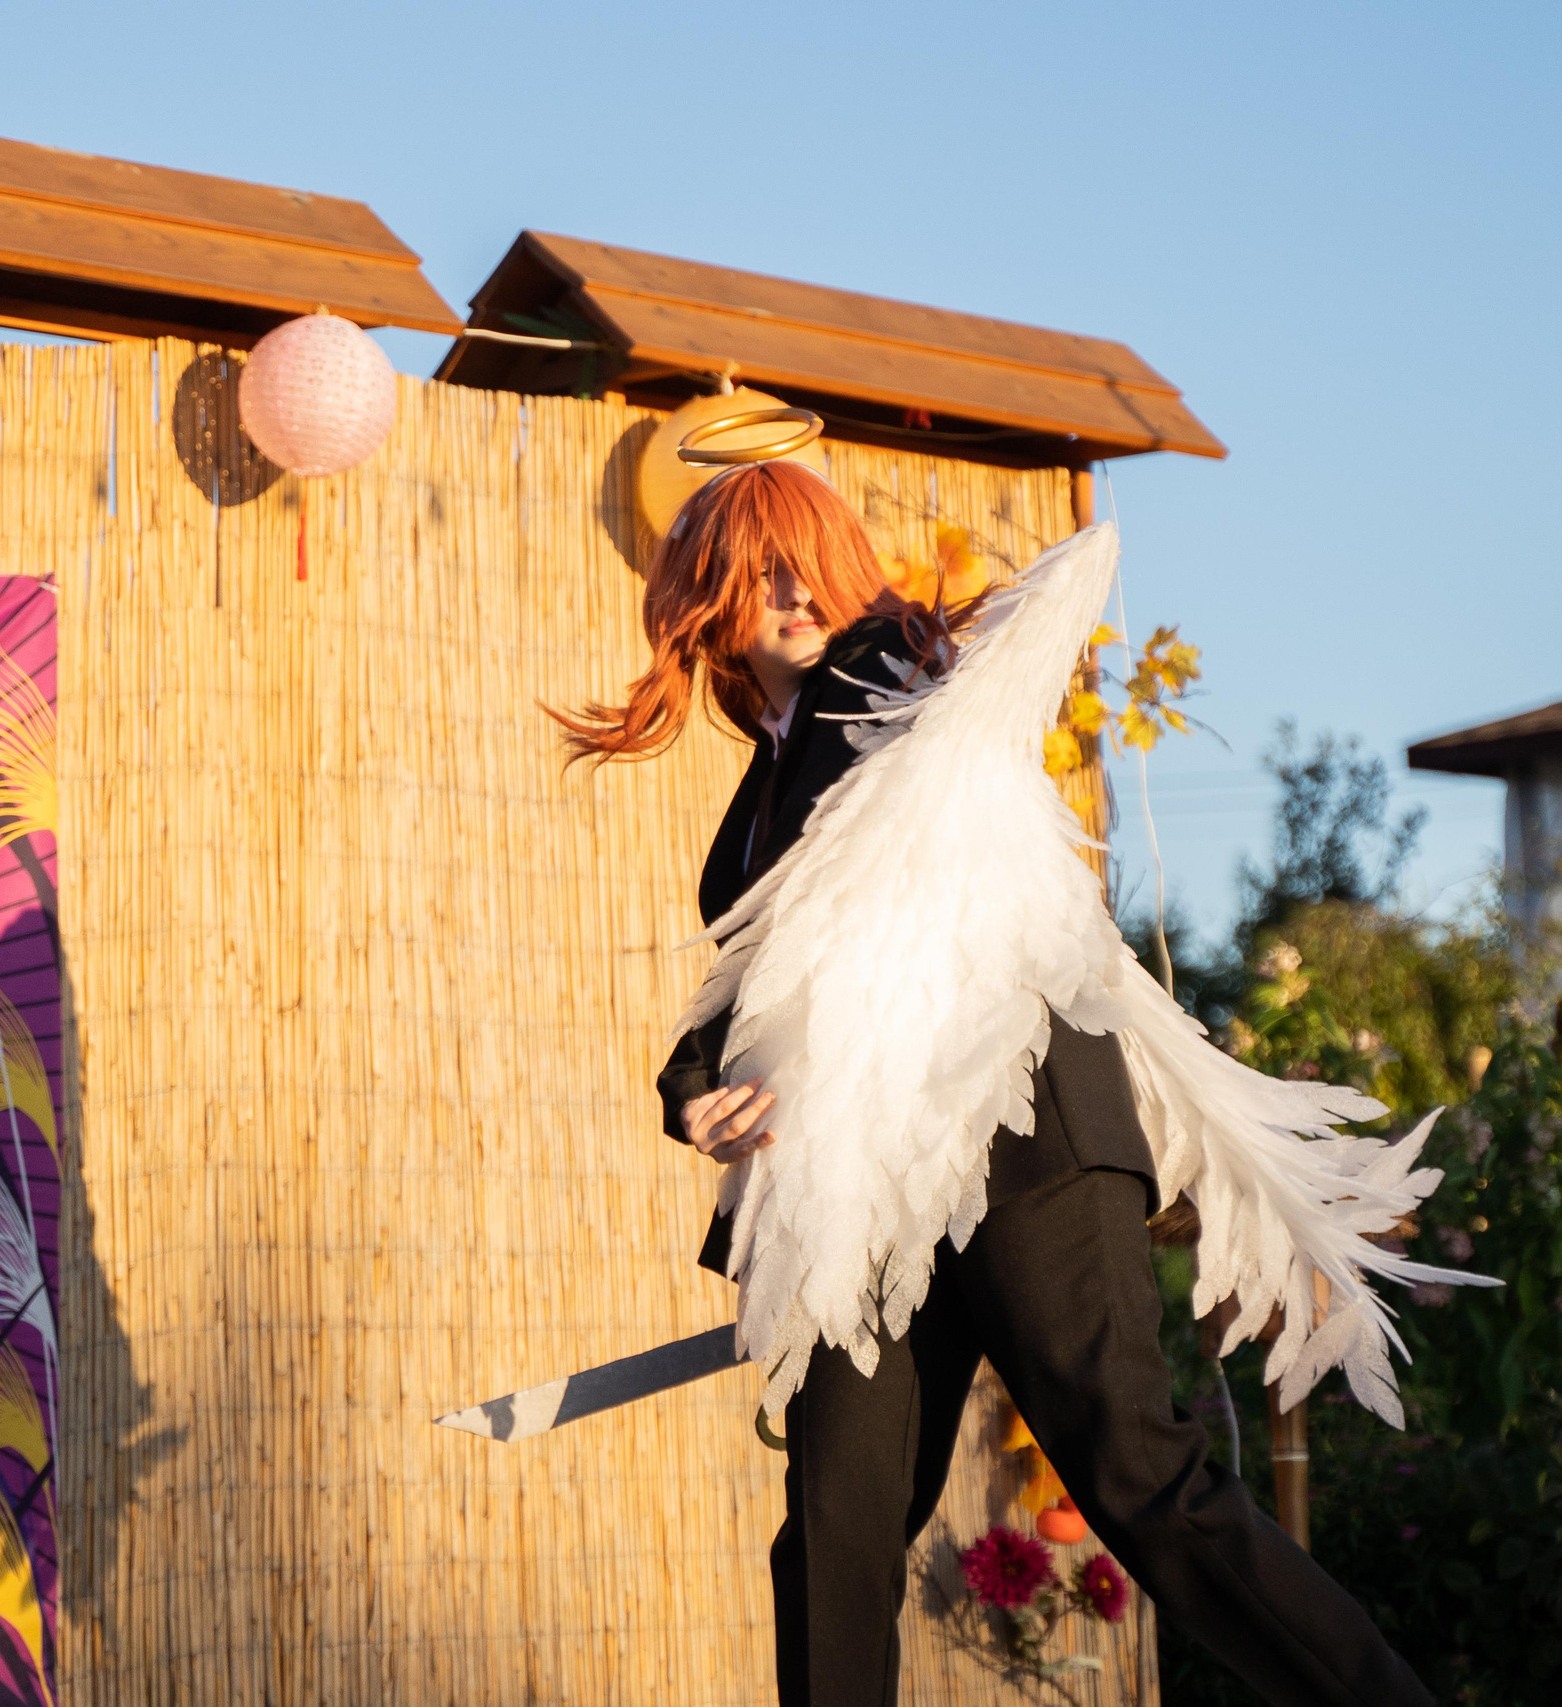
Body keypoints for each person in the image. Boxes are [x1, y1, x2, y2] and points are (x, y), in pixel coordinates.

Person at [553, 457, 1437, 1707]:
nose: (796, 591)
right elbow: (756, 984)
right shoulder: (760, 791)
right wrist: (691, 1089)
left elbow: (868, 877)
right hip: (869, 1192)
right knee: (835, 1534)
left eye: (811, 559)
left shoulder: (886, 680)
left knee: (1136, 1471)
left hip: (1022, 1139)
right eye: (761, 571)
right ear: (707, 597)